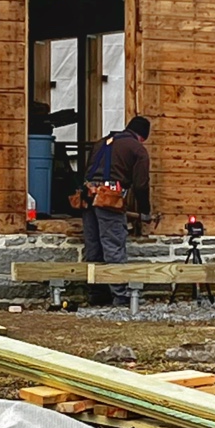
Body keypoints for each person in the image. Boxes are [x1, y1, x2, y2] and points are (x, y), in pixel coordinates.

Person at [82, 115, 152, 307]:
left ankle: (97, 293)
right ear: (143, 136)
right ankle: (120, 295)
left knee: (94, 246)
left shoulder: (101, 143)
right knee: (113, 244)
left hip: (88, 198)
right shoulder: (138, 149)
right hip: (109, 199)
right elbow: (141, 184)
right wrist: (145, 211)